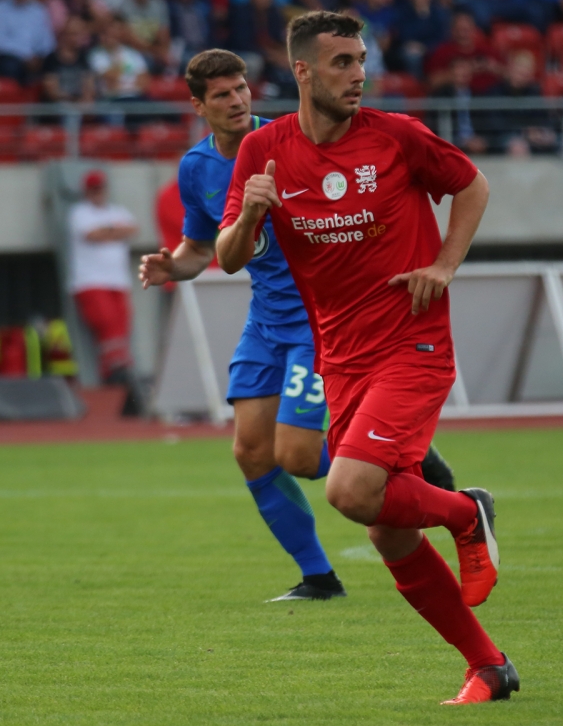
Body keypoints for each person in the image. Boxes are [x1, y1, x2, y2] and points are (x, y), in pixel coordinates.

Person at [217, 12, 518, 704]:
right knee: (387, 530)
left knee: (349, 491)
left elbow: (471, 184)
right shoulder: (264, 149)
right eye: (342, 63)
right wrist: (252, 213)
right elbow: (230, 257)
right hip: (340, 357)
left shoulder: (396, 135)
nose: (358, 75)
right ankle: (489, 666)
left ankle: (465, 513)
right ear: (302, 71)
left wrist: (444, 264)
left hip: (413, 344)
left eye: (360, 60)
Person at [139, 49, 457, 602]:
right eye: (221, 94)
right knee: (251, 452)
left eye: (241, 88)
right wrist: (174, 267)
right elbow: (202, 248)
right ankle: (319, 578)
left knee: (300, 456)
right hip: (265, 323)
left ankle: (406, 469)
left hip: (317, 321)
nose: (237, 100)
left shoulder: (287, 143)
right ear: (198, 106)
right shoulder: (196, 167)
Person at [68, 169, 145, 413]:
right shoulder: (80, 212)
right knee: (106, 323)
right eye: (93, 189)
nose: (98, 193)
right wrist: (113, 231)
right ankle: (112, 372)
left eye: (100, 188)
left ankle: (119, 372)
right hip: (90, 281)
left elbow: (132, 229)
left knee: (122, 324)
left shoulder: (116, 211)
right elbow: (92, 234)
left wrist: (108, 231)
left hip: (117, 281)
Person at [0, 0, 57, 85]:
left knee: (57, 63)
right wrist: (26, 56)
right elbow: (2, 41)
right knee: (10, 66)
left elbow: (46, 38)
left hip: (36, 58)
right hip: (10, 56)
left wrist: (42, 56)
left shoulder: (38, 10)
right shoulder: (2, 8)